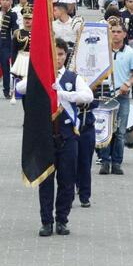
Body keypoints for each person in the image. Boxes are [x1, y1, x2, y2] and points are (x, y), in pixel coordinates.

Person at [17, 38, 94, 237]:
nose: (57, 58)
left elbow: (88, 96)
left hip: (68, 136)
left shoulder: (71, 77)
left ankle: (62, 219)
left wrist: (64, 95)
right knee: (46, 180)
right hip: (45, 136)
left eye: (61, 54)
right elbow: (19, 88)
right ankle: (46, 221)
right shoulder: (40, 76)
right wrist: (37, 76)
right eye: (54, 54)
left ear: (66, 56)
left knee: (67, 180)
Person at [98, 21, 133, 175]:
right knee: (105, 129)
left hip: (121, 95)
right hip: (104, 95)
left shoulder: (130, 52)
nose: (116, 34)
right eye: (113, 31)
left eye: (118, 31)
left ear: (124, 34)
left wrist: (128, 83)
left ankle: (117, 162)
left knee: (121, 131)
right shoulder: (103, 51)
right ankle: (104, 161)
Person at [0, 0, 18, 101]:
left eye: (7, 0)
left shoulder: (13, 14)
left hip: (5, 44)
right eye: (3, 0)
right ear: (0, 1)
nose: (5, 2)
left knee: (6, 68)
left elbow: (15, 29)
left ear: (10, 2)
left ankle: (7, 90)